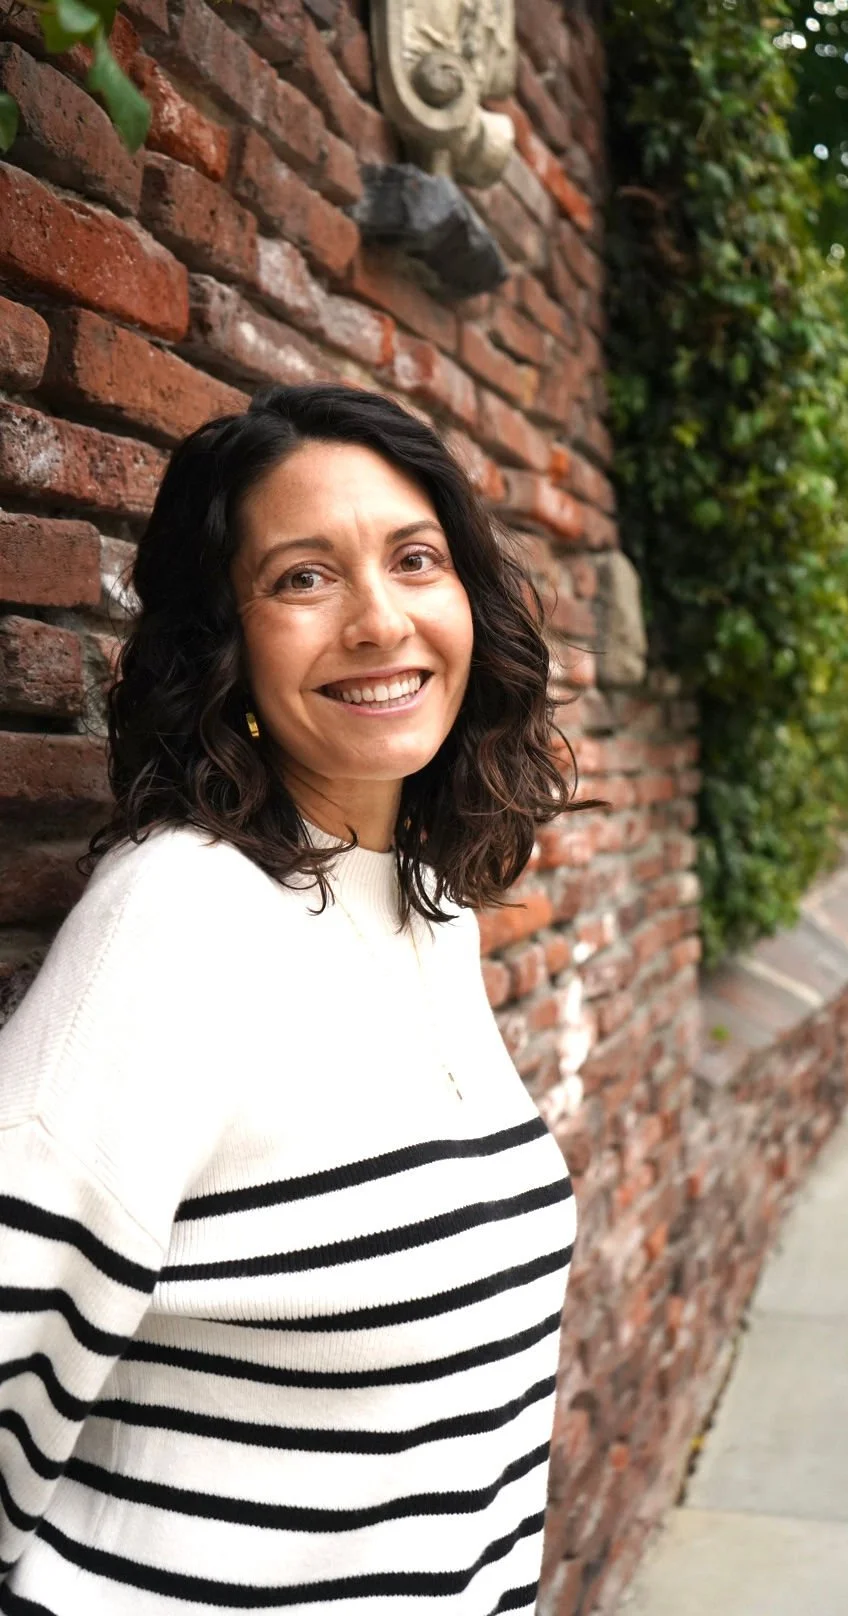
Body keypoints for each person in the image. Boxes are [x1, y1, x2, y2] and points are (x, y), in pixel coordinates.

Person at [0, 384, 597, 1615]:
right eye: (302, 578)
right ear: (227, 638)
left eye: (415, 559)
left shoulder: (428, 900)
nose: (382, 621)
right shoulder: (176, 920)